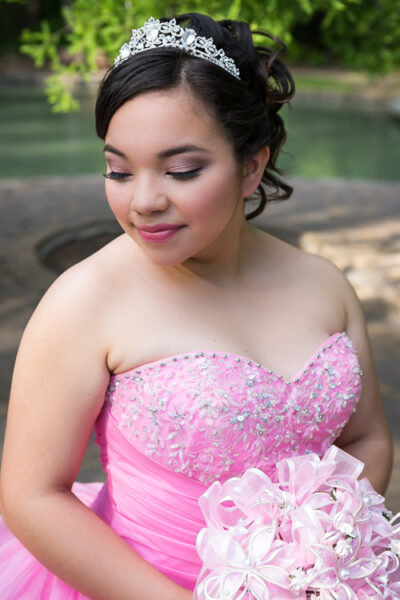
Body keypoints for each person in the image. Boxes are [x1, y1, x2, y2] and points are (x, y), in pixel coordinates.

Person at [0, 12, 393, 600]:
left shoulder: (324, 286)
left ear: (251, 166)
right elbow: (31, 495)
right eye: (118, 170)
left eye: (181, 170)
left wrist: (321, 554)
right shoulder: (86, 299)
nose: (144, 201)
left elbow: (368, 441)